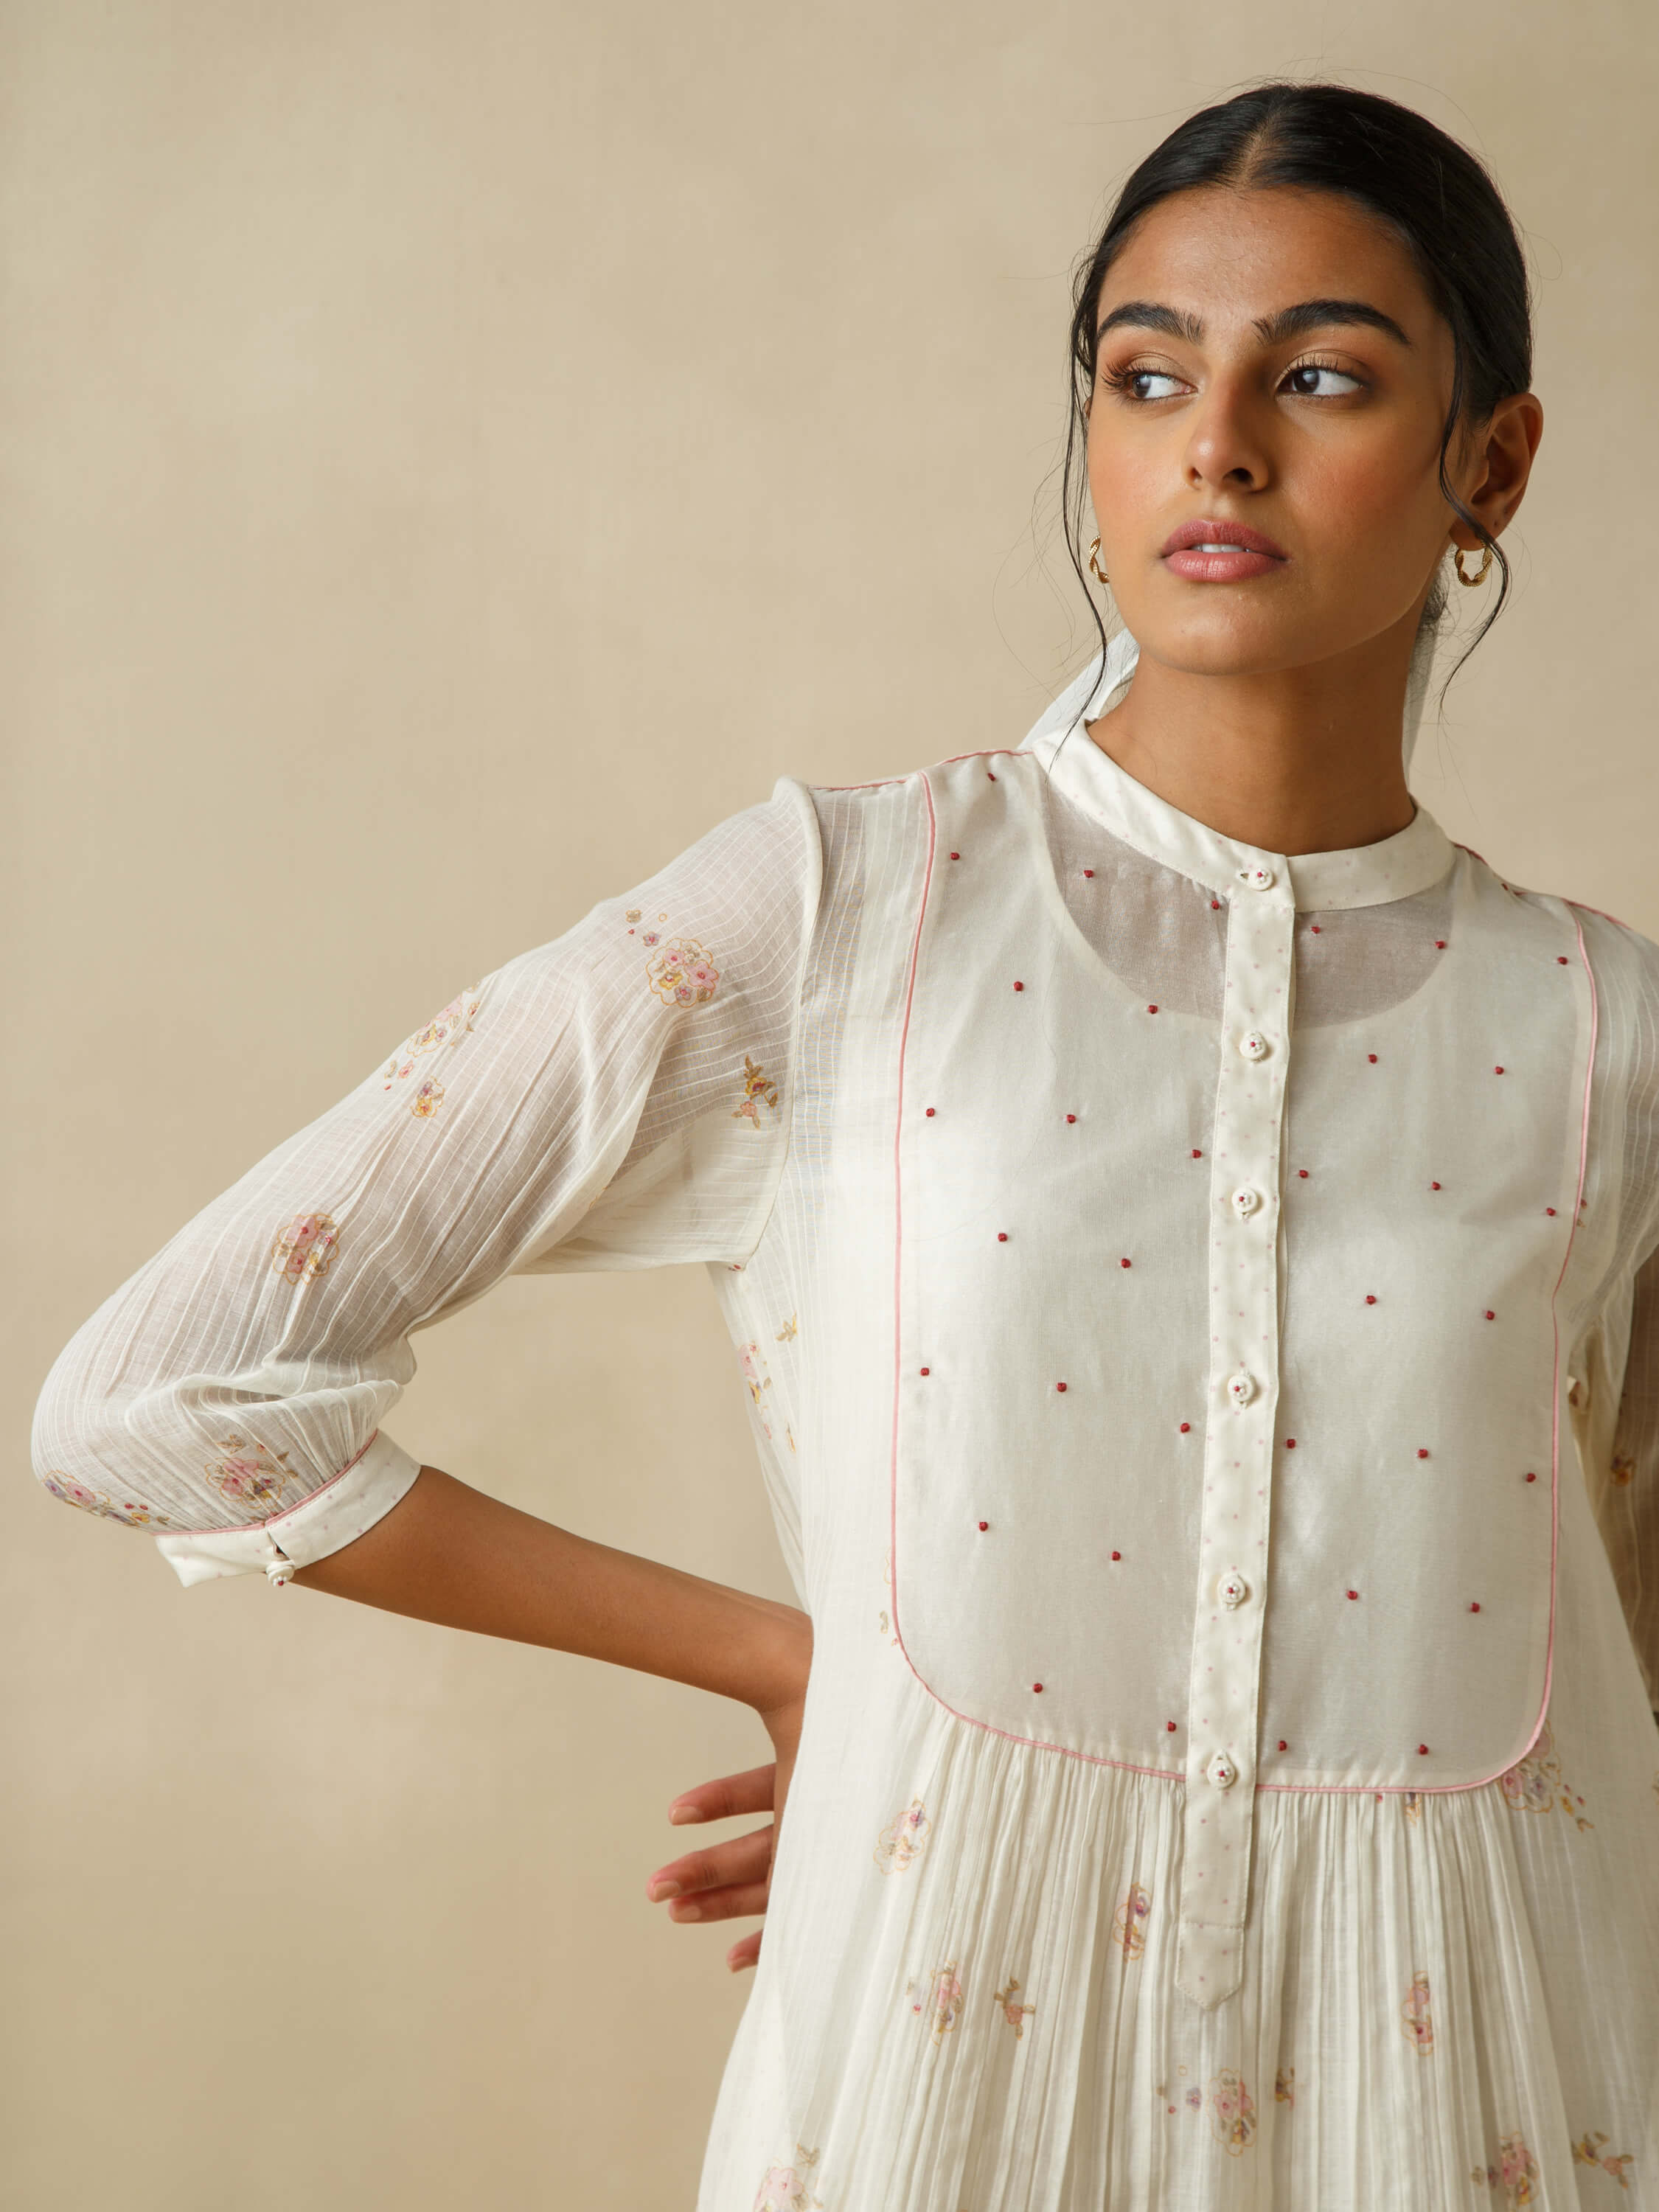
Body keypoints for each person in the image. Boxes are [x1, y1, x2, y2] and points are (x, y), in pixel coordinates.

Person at [31, 78, 1659, 2210]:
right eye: (1144, 372)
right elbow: (159, 1396)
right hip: (942, 2076)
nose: (1217, 442)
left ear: (1489, 466)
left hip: (1491, 2101)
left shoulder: (1606, 1039)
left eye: (1323, 377)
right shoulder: (843, 915)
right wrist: (808, 1668)